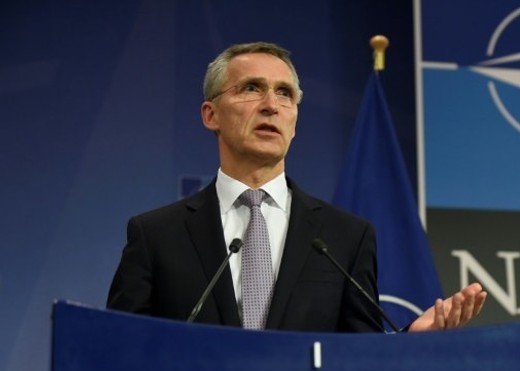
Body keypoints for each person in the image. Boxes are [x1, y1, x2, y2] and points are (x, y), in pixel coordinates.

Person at [107, 41, 486, 332]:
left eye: (285, 93)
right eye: (252, 88)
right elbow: (117, 349)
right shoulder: (156, 235)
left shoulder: (345, 238)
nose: (271, 105)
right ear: (211, 115)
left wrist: (409, 341)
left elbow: (360, 361)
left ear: (295, 119)